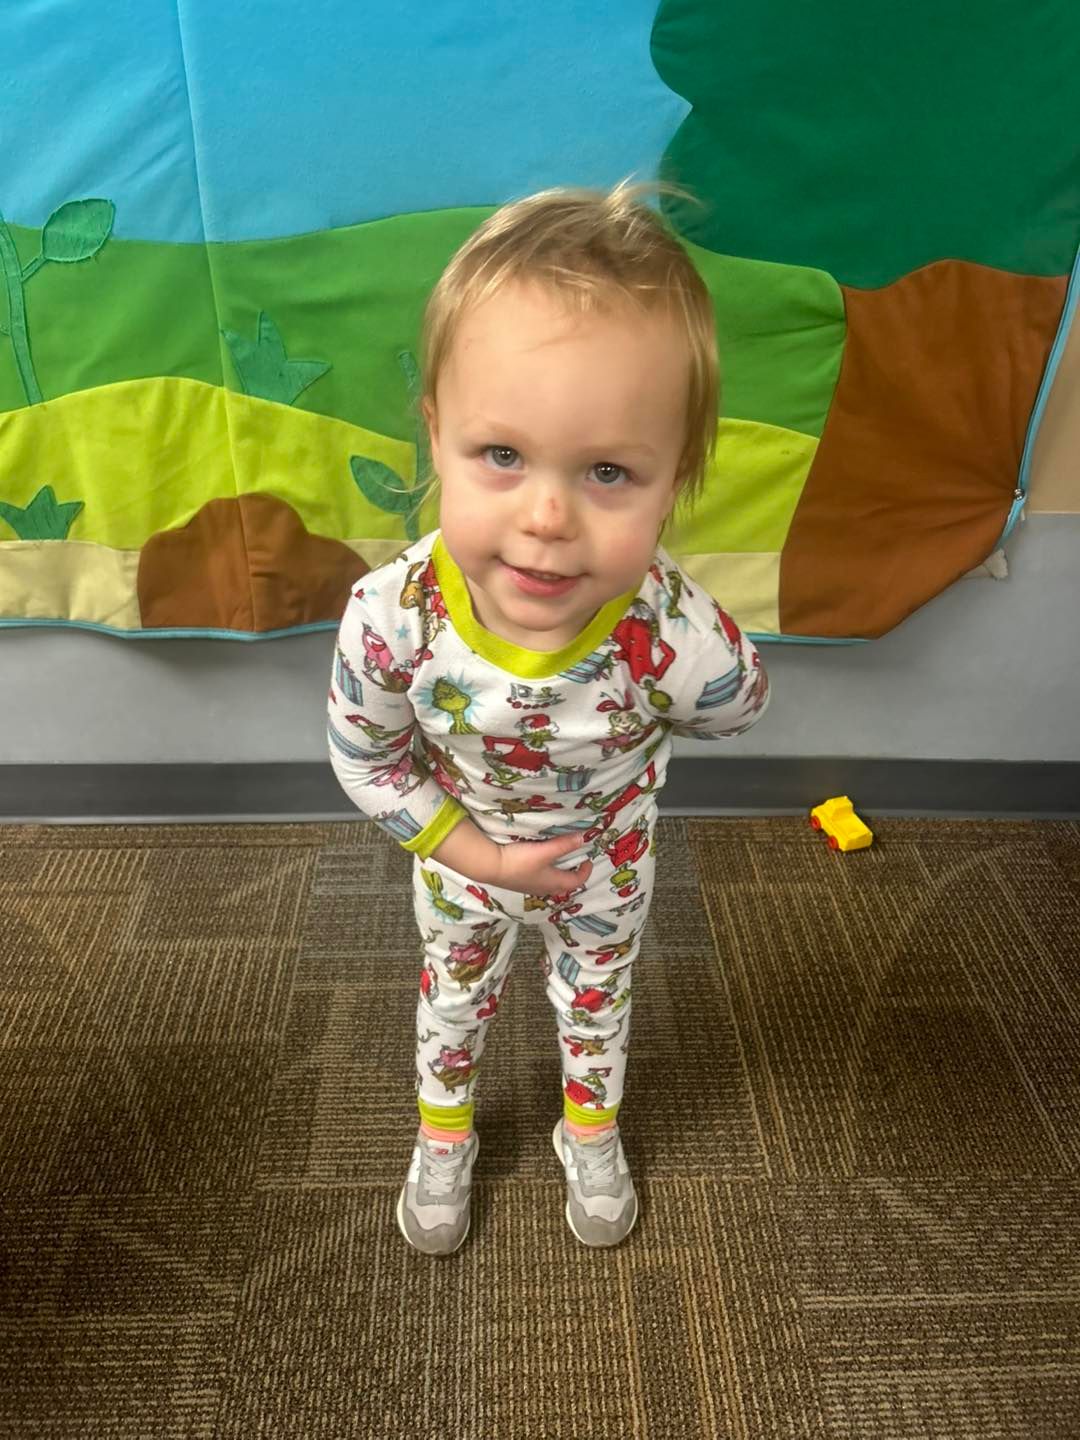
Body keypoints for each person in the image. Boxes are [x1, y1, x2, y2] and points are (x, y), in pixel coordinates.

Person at [327, 180, 770, 1256]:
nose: (546, 518)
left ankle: (590, 1129)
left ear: (673, 484)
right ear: (436, 436)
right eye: (502, 455)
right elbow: (368, 761)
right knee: (453, 1002)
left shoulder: (664, 626)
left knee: (598, 1000)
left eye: (609, 472)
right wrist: (481, 856)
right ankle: (444, 1138)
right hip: (460, 856)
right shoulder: (393, 616)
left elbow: (741, 706)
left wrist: (690, 639)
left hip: (602, 866)